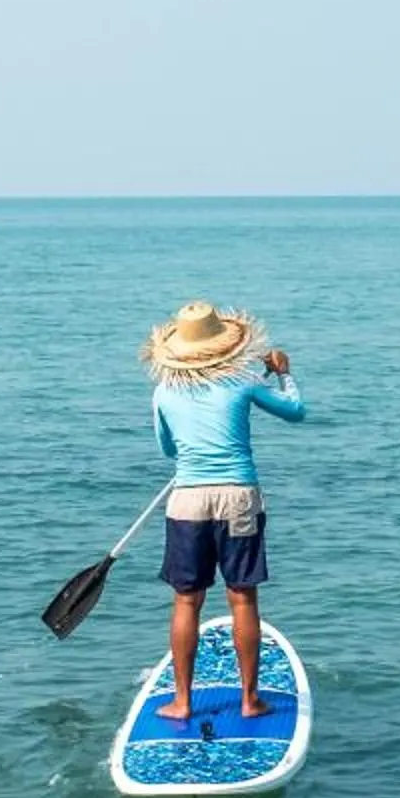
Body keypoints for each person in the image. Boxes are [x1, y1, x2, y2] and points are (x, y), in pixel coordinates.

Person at [141, 300, 305, 725]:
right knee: (242, 597)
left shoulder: (164, 391)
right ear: (226, 345)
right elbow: (296, 412)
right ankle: (251, 700)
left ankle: (181, 701)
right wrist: (284, 373)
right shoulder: (242, 383)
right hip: (238, 498)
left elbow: (168, 450)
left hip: (189, 499)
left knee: (186, 600)